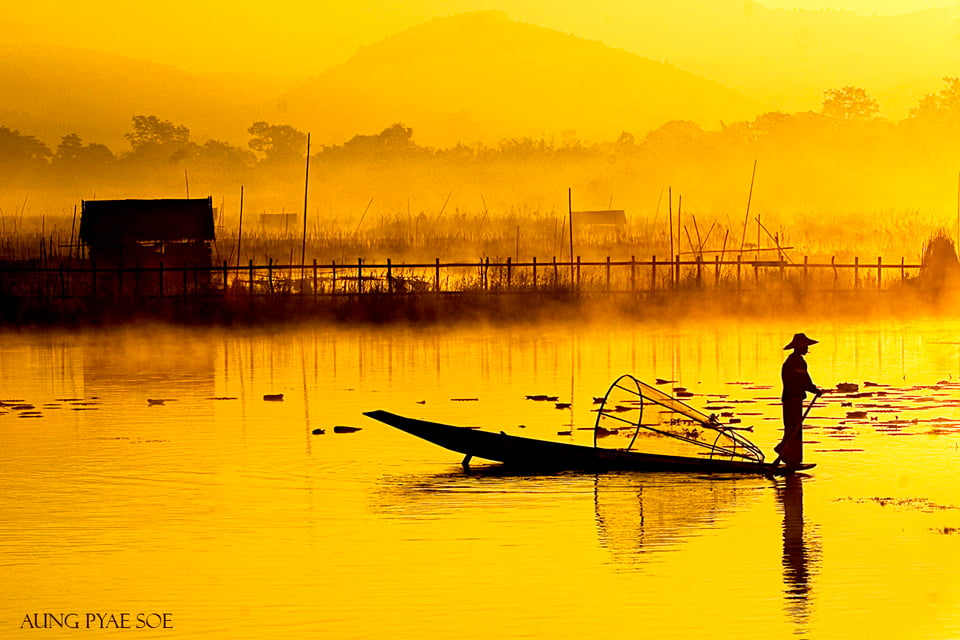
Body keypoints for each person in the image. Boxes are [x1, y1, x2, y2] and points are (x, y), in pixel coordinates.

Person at [776, 333, 822, 469]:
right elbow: (804, 381)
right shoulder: (797, 361)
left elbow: (801, 380)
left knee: (791, 427)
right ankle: (788, 455)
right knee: (794, 428)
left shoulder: (790, 360)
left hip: (789, 397)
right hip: (794, 398)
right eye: (805, 346)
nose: (807, 348)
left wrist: (812, 389)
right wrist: (815, 390)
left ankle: (788, 455)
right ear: (799, 347)